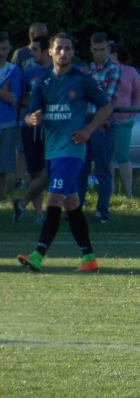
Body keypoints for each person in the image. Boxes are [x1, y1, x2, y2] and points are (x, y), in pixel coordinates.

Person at [17, 33, 113, 272]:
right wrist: (33, 119)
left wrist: (89, 130)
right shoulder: (42, 83)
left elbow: (107, 106)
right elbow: (28, 116)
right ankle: (89, 258)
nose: (63, 53)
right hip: (52, 153)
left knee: (53, 201)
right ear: (50, 52)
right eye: (58, 48)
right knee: (72, 205)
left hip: (72, 152)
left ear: (72, 52)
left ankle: (38, 255)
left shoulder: (82, 79)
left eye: (68, 49)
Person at [77, 32, 121, 224]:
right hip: (85, 122)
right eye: (95, 50)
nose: (98, 53)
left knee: (102, 169)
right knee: (81, 168)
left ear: (108, 49)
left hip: (102, 125)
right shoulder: (88, 70)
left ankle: (102, 211)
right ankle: (75, 209)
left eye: (102, 49)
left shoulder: (114, 69)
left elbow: (107, 102)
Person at [13, 34, 52, 224]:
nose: (31, 53)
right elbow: (21, 100)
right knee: (35, 172)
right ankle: (39, 215)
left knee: (51, 169)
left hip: (52, 129)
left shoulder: (58, 71)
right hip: (32, 128)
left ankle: (22, 202)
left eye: (35, 49)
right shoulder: (29, 74)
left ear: (47, 51)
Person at [108, 41, 140, 198]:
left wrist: (132, 113)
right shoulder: (100, 72)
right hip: (104, 120)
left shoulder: (130, 71)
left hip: (123, 121)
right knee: (106, 156)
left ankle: (128, 191)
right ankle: (109, 190)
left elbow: (138, 94)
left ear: (114, 54)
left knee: (122, 155)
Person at [0, 31, 23, 200]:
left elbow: (14, 98)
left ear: (9, 49)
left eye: (4, 48)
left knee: (3, 168)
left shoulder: (13, 70)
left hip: (7, 123)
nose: (1, 53)